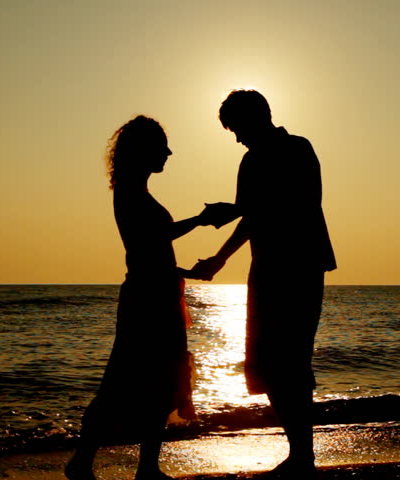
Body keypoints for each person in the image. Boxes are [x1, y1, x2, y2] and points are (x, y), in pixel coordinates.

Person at [66, 115, 227, 480]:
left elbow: (152, 255)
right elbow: (152, 242)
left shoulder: (136, 191)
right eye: (161, 146)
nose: (168, 152)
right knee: (119, 383)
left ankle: (146, 467)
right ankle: (83, 461)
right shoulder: (129, 192)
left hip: (156, 294)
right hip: (145, 302)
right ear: (143, 150)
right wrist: (201, 220)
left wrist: (187, 272)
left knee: (160, 381)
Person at [191, 90, 336, 478]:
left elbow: (295, 203)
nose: (236, 138)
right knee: (269, 364)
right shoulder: (251, 159)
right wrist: (221, 257)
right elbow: (251, 217)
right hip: (269, 267)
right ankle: (300, 454)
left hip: (300, 265)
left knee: (291, 361)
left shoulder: (298, 149)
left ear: (258, 118)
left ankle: (303, 457)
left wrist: (236, 211)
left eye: (237, 128)